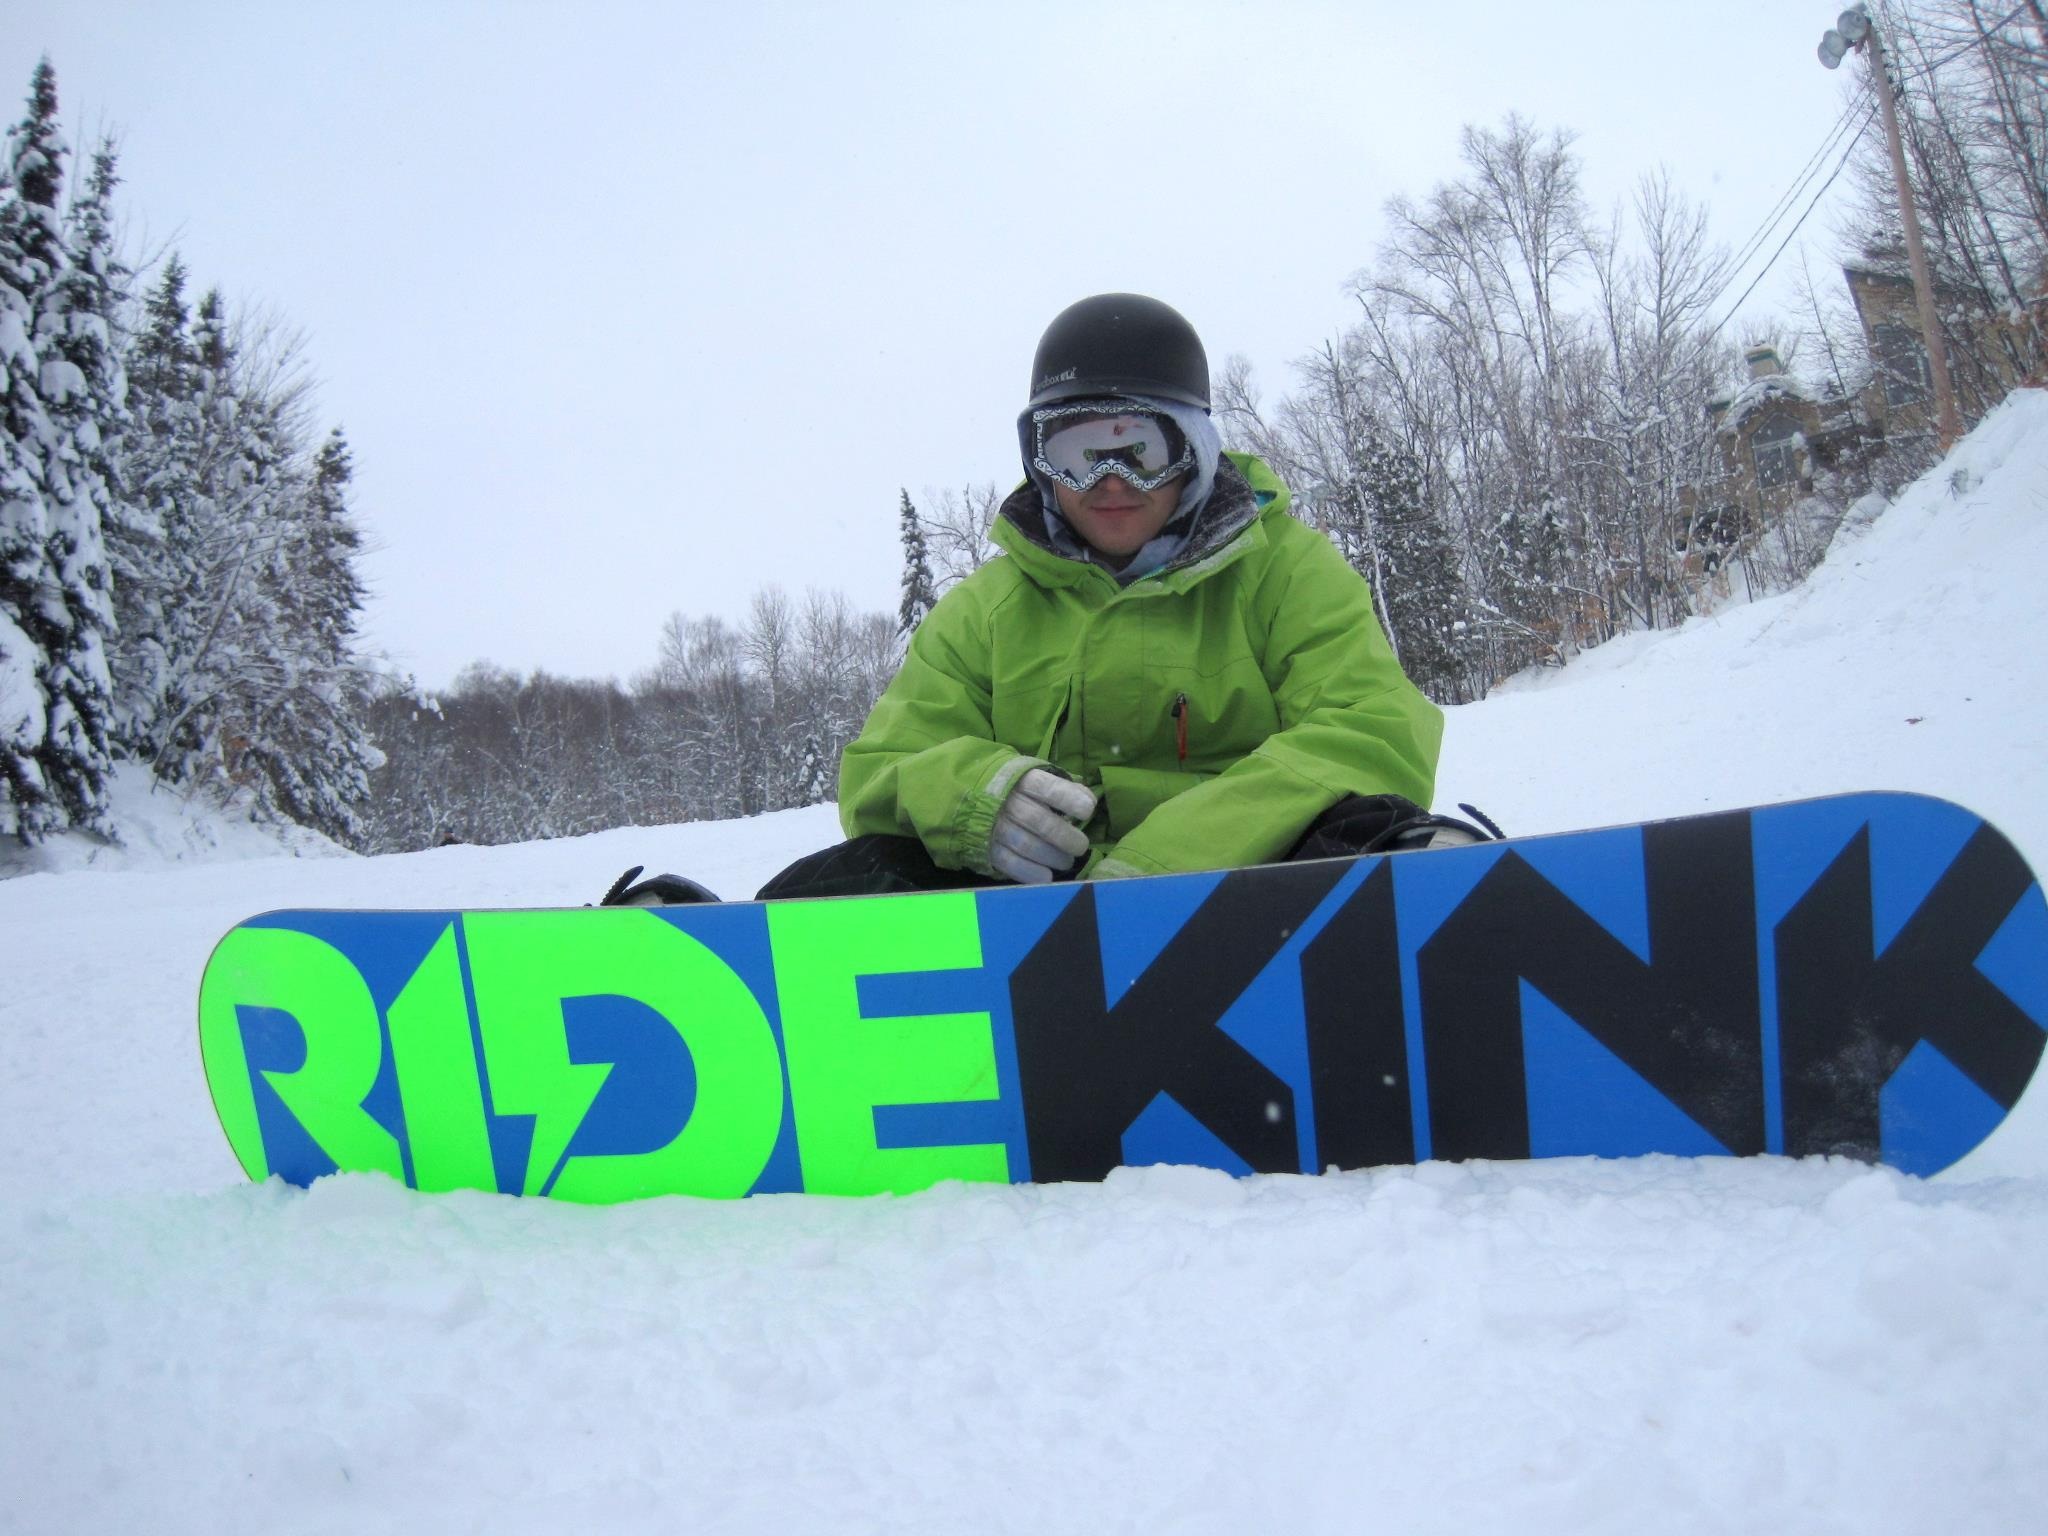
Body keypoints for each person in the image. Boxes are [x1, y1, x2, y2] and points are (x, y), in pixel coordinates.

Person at [607, 293, 1472, 908]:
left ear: (1196, 451)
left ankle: (1449, 896)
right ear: (1039, 463)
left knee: (1370, 828)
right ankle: (707, 957)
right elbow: (882, 768)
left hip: (1247, 890)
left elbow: (1370, 730)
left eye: (1136, 448)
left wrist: (1158, 865)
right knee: (868, 865)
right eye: (1076, 452)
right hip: (1031, 905)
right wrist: (978, 800)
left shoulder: (1284, 570)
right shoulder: (988, 608)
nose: (1109, 483)